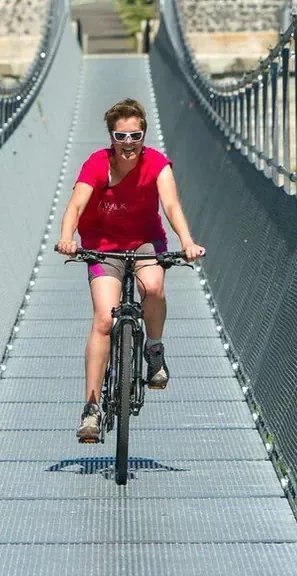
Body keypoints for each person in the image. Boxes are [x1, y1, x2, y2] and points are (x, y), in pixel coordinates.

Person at [56, 97, 205, 443]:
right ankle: (91, 409)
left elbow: (170, 203)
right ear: (111, 137)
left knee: (152, 286)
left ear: (144, 136)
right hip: (102, 244)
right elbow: (76, 204)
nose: (128, 144)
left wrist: (187, 241)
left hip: (144, 242)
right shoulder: (96, 164)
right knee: (103, 320)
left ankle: (153, 350)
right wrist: (66, 238)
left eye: (135, 136)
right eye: (121, 137)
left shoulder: (156, 164)